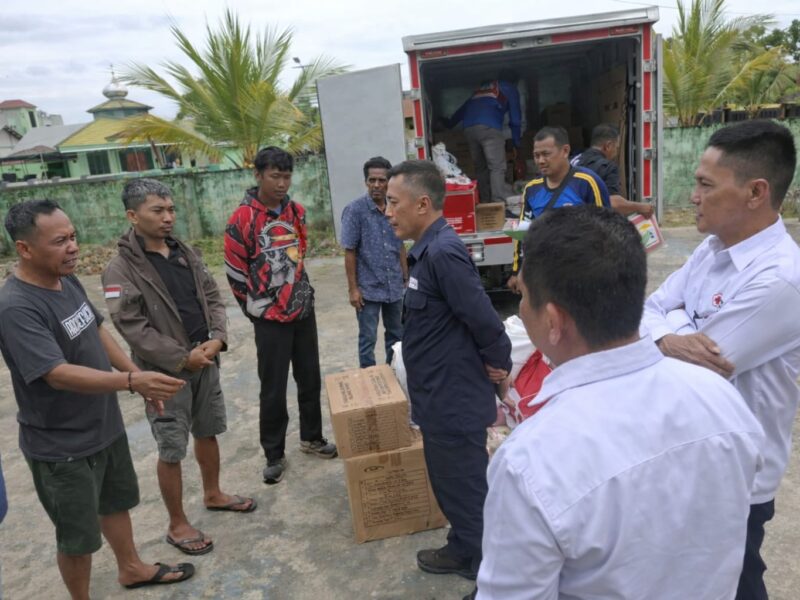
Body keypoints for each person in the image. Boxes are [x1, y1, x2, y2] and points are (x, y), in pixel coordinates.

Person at [477, 205, 764, 600]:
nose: (520, 310)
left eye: (523, 296)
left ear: (555, 322)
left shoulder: (531, 461)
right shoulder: (723, 402)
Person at [0, 199, 194, 599]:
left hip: (102, 425)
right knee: (78, 537)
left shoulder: (64, 278)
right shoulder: (16, 306)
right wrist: (128, 381)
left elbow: (96, 330)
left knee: (115, 502)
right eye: (59, 241)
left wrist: (137, 378)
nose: (72, 247)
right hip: (61, 445)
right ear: (25, 249)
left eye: (72, 237)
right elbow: (55, 374)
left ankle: (132, 568)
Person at [641, 119, 800, 600]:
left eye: (705, 185)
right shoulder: (711, 250)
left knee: (737, 584)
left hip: (734, 478)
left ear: (755, 192)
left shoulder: (781, 280)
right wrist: (672, 336)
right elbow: (647, 309)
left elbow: (700, 367)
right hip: (688, 459)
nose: (693, 197)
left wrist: (671, 328)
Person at [103, 179, 257, 557]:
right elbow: (133, 328)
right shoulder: (121, 269)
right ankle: (177, 523)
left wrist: (218, 337)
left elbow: (211, 296)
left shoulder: (183, 251)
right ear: (132, 216)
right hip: (164, 375)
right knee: (171, 447)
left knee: (208, 431)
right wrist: (180, 357)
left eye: (171, 210)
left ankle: (213, 493)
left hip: (205, 359)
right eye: (158, 211)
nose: (169, 218)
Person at [385, 160, 512, 590]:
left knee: (467, 489)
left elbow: (483, 318)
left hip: (455, 400)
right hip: (438, 396)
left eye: (393, 202)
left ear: (422, 204)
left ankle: (488, 575)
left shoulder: (443, 252)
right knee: (450, 485)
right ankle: (462, 546)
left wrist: (500, 364)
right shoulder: (424, 250)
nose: (388, 211)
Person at [224, 146, 337, 485]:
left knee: (310, 377)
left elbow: (299, 256)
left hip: (302, 309)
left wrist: (297, 296)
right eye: (275, 176)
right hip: (268, 318)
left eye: (286, 176)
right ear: (257, 175)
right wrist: (256, 309)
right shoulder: (241, 219)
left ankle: (312, 438)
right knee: (272, 388)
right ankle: (274, 454)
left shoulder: (296, 212)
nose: (282, 183)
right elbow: (234, 271)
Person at [507, 126, 610, 294]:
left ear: (565, 150)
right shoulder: (532, 189)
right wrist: (517, 271)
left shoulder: (587, 182)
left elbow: (606, 231)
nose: (540, 161)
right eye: (536, 155)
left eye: (546, 154)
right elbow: (524, 233)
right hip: (546, 276)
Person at [341, 156, 408, 368]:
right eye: (372, 180)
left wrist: (406, 278)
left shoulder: (395, 208)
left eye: (381, 180)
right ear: (366, 182)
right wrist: (353, 289)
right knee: (368, 338)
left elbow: (400, 245)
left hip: (394, 286)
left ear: (389, 182)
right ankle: (369, 382)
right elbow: (349, 251)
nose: (377, 185)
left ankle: (394, 377)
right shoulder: (355, 211)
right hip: (368, 289)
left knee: (397, 336)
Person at [446, 70, 522, 203]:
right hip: (489, 128)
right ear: (514, 81)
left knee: (480, 168)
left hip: (469, 129)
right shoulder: (509, 87)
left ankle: (485, 202)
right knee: (497, 167)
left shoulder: (482, 89)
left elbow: (463, 109)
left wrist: (449, 124)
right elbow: (515, 119)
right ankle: (498, 202)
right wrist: (516, 143)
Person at [571, 123, 654, 217]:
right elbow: (613, 203)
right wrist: (640, 207)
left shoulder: (573, 160)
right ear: (608, 146)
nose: (616, 152)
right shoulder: (608, 167)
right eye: (616, 147)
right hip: (587, 223)